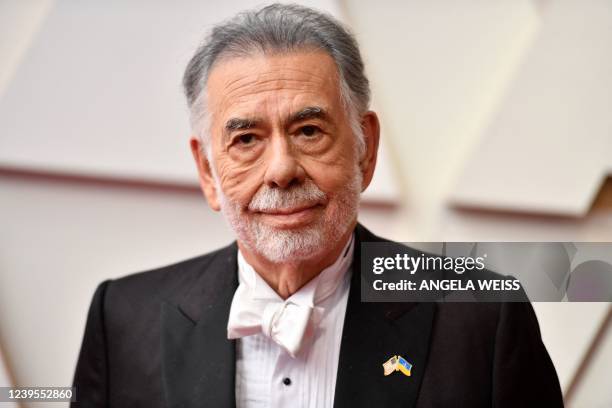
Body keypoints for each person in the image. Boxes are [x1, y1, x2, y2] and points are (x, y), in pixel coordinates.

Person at [72, 4, 564, 407]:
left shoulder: (482, 314)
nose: (282, 169)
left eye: (309, 131)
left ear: (364, 148)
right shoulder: (122, 317)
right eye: (246, 138)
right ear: (207, 172)